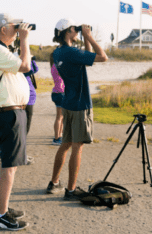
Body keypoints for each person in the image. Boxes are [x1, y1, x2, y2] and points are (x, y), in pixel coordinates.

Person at [46, 18, 108, 199]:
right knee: (76, 147)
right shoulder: (71, 52)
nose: (77, 30)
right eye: (75, 29)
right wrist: (89, 35)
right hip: (80, 104)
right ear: (68, 32)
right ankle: (71, 190)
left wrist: (85, 39)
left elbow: (87, 60)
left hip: (68, 103)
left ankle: (54, 182)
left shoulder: (58, 53)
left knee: (65, 145)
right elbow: (102, 57)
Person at [0, 13, 31, 231]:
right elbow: (25, 66)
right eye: (15, 26)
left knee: (11, 164)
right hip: (8, 112)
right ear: (3, 29)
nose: (19, 29)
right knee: (9, 165)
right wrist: (24, 39)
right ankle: (0, 216)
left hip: (13, 111)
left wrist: (19, 39)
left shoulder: (0, 49)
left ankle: (1, 208)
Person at [50, 53, 65, 145]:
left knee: (61, 117)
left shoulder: (53, 65)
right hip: (60, 93)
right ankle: (56, 138)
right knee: (59, 117)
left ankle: (59, 136)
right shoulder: (58, 66)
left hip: (57, 92)